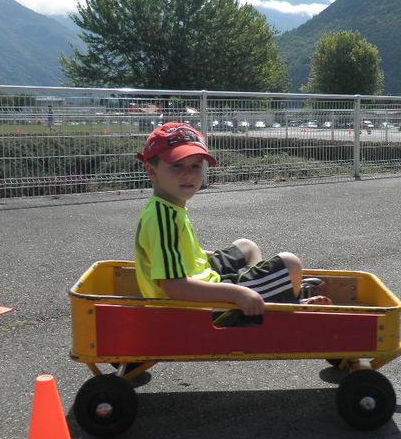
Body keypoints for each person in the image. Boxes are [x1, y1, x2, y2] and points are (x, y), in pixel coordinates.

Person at [134, 122, 330, 319]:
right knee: (290, 263)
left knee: (246, 246)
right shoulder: (162, 217)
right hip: (192, 309)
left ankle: (269, 296)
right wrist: (238, 293)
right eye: (177, 165)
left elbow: (183, 254)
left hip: (202, 280)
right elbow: (174, 287)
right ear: (152, 171)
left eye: (195, 165)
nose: (189, 173)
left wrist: (207, 257)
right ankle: (279, 304)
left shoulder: (167, 207)